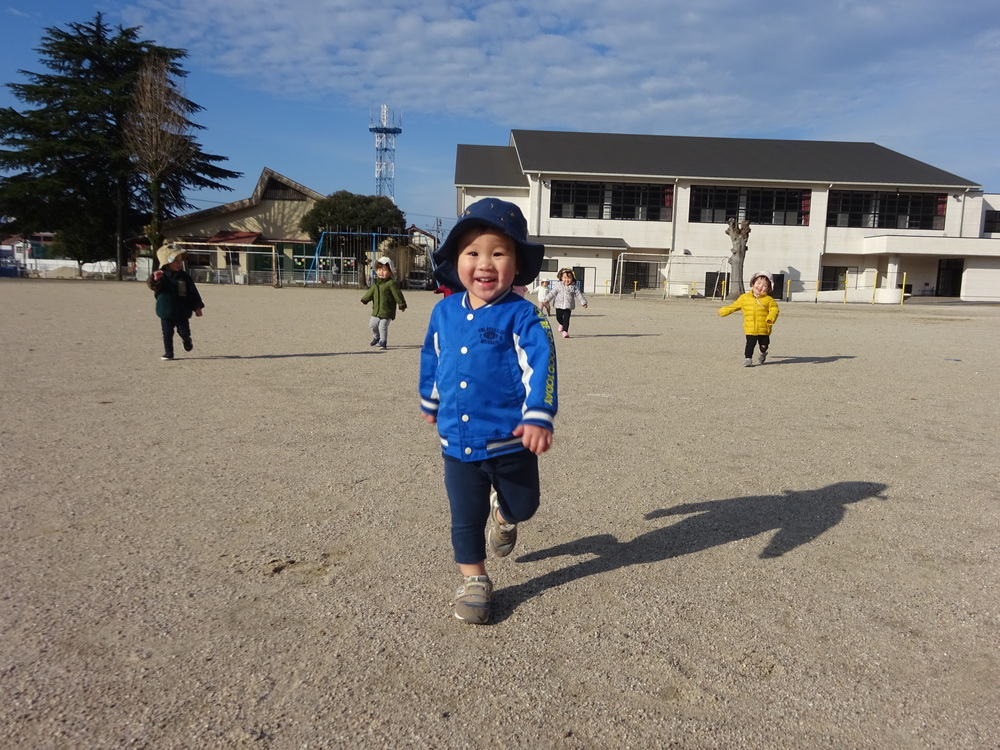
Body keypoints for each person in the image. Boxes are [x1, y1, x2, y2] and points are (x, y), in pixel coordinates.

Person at [419, 198, 557, 625]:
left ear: (517, 263)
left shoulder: (525, 315)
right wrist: (430, 399)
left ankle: (505, 515)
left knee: (525, 504)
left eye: (499, 253)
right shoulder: (443, 311)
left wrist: (538, 413)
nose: (485, 264)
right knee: (464, 515)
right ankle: (474, 579)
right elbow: (432, 357)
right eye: (472, 253)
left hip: (511, 437)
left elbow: (542, 364)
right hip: (457, 440)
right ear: (456, 261)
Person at [147, 245, 204, 361]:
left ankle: (187, 341)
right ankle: (169, 353)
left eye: (181, 260)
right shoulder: (160, 275)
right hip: (165, 311)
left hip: (182, 311)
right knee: (167, 334)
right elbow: (153, 286)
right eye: (175, 261)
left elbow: (193, 292)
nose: (179, 263)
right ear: (166, 262)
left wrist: (197, 307)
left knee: (184, 332)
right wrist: (155, 280)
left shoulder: (185, 277)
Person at [718, 271, 779, 367]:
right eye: (758, 283)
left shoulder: (769, 300)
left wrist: (771, 318)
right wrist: (723, 311)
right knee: (750, 344)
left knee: (764, 345)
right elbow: (734, 306)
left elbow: (774, 310)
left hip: (764, 328)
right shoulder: (744, 298)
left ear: (768, 288)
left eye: (764, 285)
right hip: (750, 328)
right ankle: (748, 359)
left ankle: (763, 353)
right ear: (753, 283)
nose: (760, 287)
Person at [361, 256, 407, 349]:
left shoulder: (391, 283)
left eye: (384, 270)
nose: (381, 272)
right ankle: (376, 337)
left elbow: (398, 295)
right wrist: (365, 300)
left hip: (387, 311)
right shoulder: (376, 283)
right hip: (377, 310)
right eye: (379, 270)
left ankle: (383, 342)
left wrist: (402, 305)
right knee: (372, 325)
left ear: (390, 271)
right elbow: (370, 292)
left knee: (382, 326)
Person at [545, 268, 588, 338]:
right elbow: (552, 293)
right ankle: (561, 324)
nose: (567, 280)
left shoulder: (574, 287)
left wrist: (583, 302)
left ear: (572, 278)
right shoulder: (558, 285)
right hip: (558, 305)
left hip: (568, 306)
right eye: (565, 278)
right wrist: (547, 299)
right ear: (561, 278)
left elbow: (579, 295)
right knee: (558, 318)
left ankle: (565, 332)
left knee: (566, 319)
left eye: (569, 278)